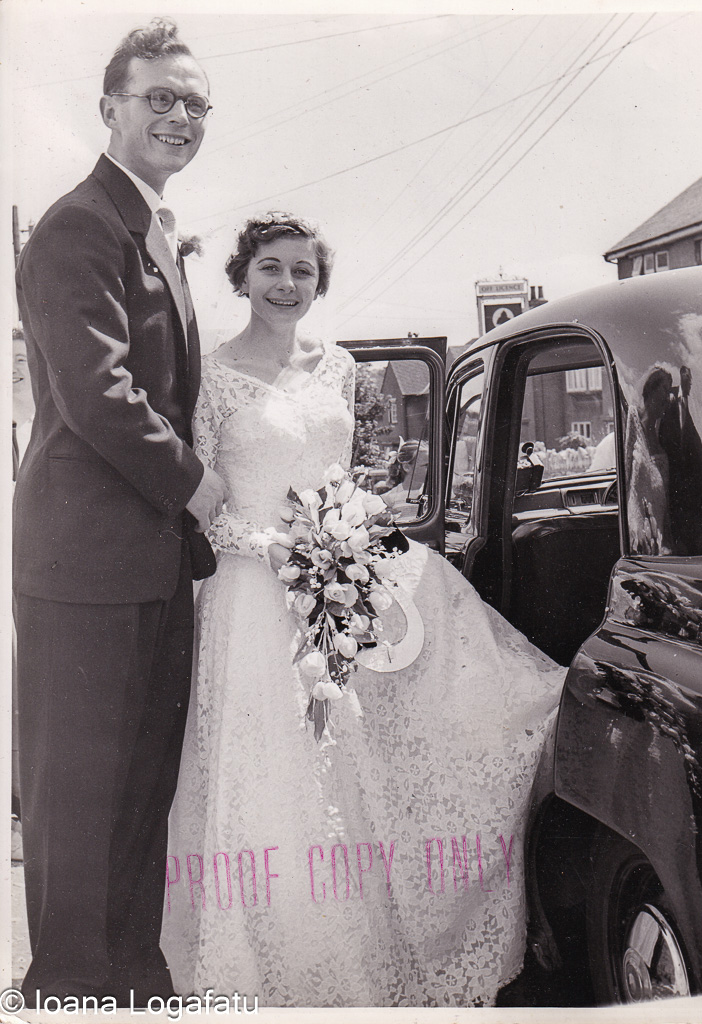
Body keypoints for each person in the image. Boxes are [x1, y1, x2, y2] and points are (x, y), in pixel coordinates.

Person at [162, 212, 566, 1007]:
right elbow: (205, 504)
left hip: (335, 582)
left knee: (350, 763)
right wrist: (281, 549)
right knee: (271, 771)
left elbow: (336, 476)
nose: (286, 285)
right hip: (251, 596)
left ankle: (356, 942)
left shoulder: (340, 366)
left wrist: (344, 541)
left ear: (320, 283)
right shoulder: (211, 375)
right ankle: (272, 962)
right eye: (270, 269)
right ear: (242, 277)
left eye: (303, 272)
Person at [13, 19, 225, 1003]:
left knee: (142, 797)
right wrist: (195, 482)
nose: (180, 116)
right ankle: (67, 993)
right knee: (79, 803)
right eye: (160, 97)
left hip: (152, 566)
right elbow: (98, 393)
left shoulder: (154, 232)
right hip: (84, 571)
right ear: (109, 108)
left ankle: (136, 985)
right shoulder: (77, 227)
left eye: (195, 103)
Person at [659, 365, 702, 555]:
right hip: (678, 496)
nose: (690, 382)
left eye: (690, 378)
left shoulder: (693, 407)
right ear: (681, 377)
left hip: (698, 495)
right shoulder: (668, 402)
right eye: (687, 377)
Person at [623, 364, 673, 555]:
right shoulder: (632, 429)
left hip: (662, 530)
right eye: (664, 390)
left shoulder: (660, 431)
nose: (668, 398)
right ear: (649, 390)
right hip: (644, 534)